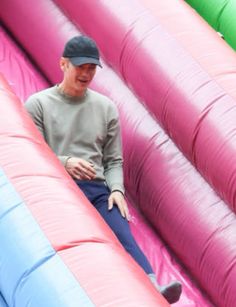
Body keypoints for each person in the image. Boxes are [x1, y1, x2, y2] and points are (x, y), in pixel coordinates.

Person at [25, 35, 182, 304]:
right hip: (55, 187)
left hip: (96, 189)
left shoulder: (105, 108)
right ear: (63, 64)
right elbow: (29, 151)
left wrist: (117, 190)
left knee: (118, 227)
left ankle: (152, 287)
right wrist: (65, 162)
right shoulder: (38, 104)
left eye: (91, 68)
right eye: (80, 67)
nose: (86, 73)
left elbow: (113, 161)